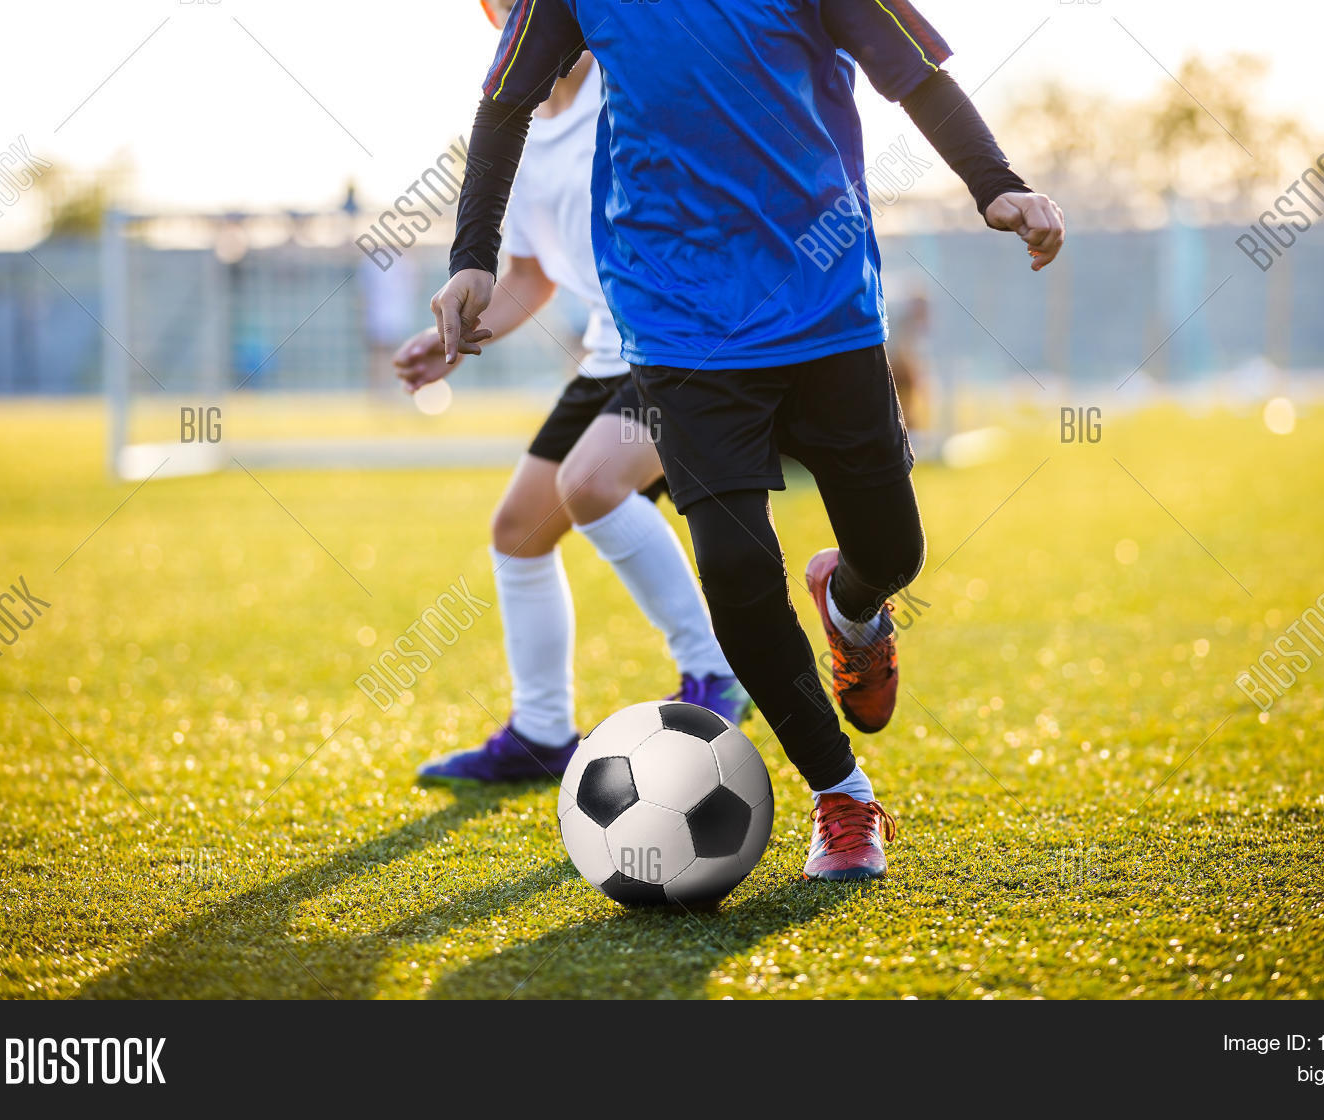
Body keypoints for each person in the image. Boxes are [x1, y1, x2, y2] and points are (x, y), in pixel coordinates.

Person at [432, 0, 1065, 877]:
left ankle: (851, 604)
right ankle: (841, 795)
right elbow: (504, 102)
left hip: (824, 303)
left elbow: (915, 73)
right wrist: (473, 254)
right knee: (733, 567)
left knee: (893, 548)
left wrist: (996, 183)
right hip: (677, 319)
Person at [405, 0, 750, 785]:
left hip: (688, 340)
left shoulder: (629, 84)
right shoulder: (510, 126)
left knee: (591, 485)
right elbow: (529, 275)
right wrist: (454, 336)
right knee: (518, 531)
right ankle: (541, 732)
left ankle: (716, 671)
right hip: (607, 353)